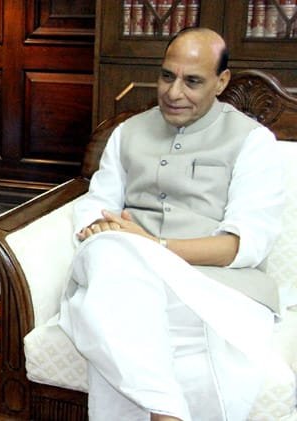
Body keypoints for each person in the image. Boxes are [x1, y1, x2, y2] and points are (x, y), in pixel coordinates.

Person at [58, 28, 284, 421]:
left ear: (221, 82)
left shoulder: (254, 142)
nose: (173, 93)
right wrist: (101, 230)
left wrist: (151, 247)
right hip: (127, 273)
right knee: (108, 257)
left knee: (112, 299)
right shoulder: (127, 132)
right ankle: (168, 412)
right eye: (167, 76)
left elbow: (243, 245)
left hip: (211, 286)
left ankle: (162, 410)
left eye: (192, 81)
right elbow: (96, 205)